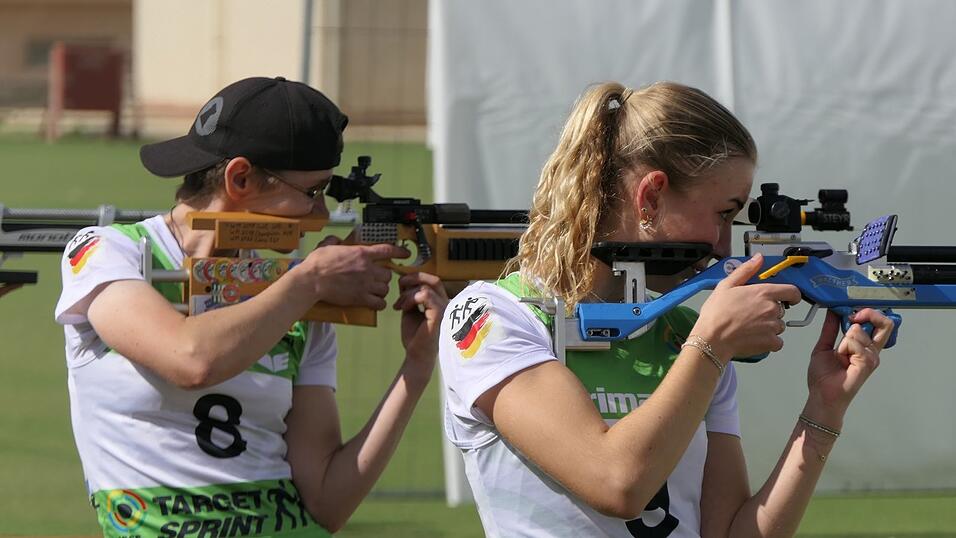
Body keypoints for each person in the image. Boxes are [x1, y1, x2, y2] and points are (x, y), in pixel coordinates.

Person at [437, 81, 893, 537]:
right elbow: (617, 484)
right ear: (650, 197)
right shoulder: (494, 317)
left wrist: (823, 412)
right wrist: (710, 345)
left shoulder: (689, 337)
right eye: (722, 214)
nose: (723, 246)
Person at [55, 76, 447, 537]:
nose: (321, 216)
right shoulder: (108, 252)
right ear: (239, 178)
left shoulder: (300, 297)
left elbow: (326, 505)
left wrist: (417, 368)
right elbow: (192, 360)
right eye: (312, 192)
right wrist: (310, 279)